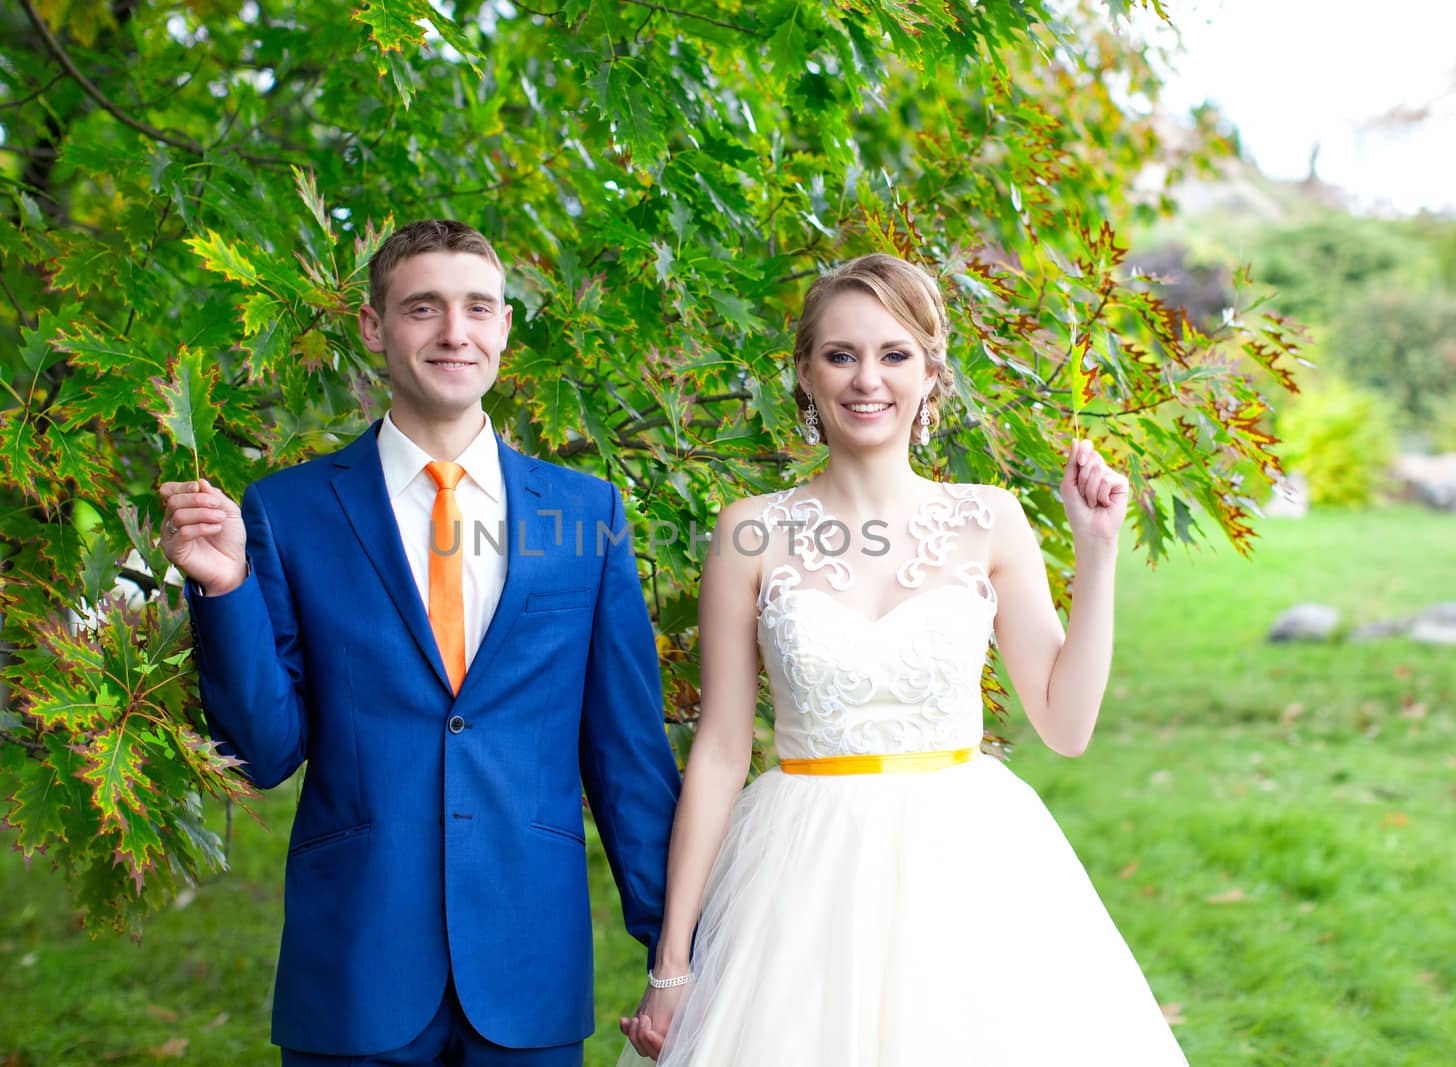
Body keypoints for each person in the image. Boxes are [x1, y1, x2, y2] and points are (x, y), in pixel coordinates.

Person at [617, 254, 1189, 1065]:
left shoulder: (988, 518)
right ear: (806, 375)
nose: (866, 380)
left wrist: (1098, 556)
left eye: (893, 354)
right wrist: (673, 963)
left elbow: (1065, 724)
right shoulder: (750, 529)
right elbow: (719, 749)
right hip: (799, 869)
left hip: (967, 866)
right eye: (840, 355)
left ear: (930, 372)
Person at [159, 219, 681, 1066]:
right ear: (373, 327)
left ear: (505, 327)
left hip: (529, 963)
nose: (454, 332)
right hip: (356, 965)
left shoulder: (586, 514)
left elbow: (627, 755)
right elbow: (261, 753)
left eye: (479, 307)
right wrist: (226, 588)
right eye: (423, 308)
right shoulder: (287, 513)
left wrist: (674, 954)